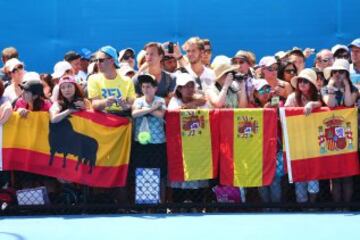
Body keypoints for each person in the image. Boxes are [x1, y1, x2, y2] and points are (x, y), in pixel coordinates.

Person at [167, 73, 209, 204]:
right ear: (179, 88)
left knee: (197, 179)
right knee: (180, 178)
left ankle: (197, 205)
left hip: (197, 145)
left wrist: (195, 103)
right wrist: (191, 105)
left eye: (191, 85)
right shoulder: (175, 102)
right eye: (186, 86)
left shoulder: (201, 100)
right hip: (180, 147)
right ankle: (178, 205)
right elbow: (174, 114)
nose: (189, 89)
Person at [321, 59, 358, 203]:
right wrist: (331, 86)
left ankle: (347, 205)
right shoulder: (325, 88)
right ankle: (337, 207)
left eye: (341, 72)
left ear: (347, 73)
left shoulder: (354, 89)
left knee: (348, 176)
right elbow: (330, 103)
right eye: (334, 71)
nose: (337, 74)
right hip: (331, 137)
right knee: (335, 177)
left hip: (349, 136)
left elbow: (349, 103)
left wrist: (347, 85)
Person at [285, 68, 322, 203]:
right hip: (297, 144)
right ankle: (302, 206)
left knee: (313, 178)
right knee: (299, 178)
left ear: (311, 84)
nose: (302, 83)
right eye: (300, 80)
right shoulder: (292, 98)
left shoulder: (317, 97)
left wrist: (312, 104)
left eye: (306, 81)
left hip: (314, 144)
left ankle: (312, 206)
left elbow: (322, 104)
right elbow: (285, 114)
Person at [131, 74, 167, 203]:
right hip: (140, 143)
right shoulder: (138, 101)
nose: (146, 89)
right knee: (142, 171)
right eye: (143, 86)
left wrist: (144, 110)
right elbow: (134, 114)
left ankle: (161, 204)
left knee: (160, 173)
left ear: (155, 88)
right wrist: (152, 108)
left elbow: (160, 114)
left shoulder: (161, 100)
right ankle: (144, 204)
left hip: (158, 143)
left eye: (149, 86)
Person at [88, 45, 135, 116]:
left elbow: (132, 105)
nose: (97, 63)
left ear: (112, 60)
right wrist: (105, 102)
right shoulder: (93, 79)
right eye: (96, 60)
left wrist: (125, 106)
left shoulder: (127, 80)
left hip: (122, 122)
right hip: (102, 122)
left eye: (101, 60)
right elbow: (94, 104)